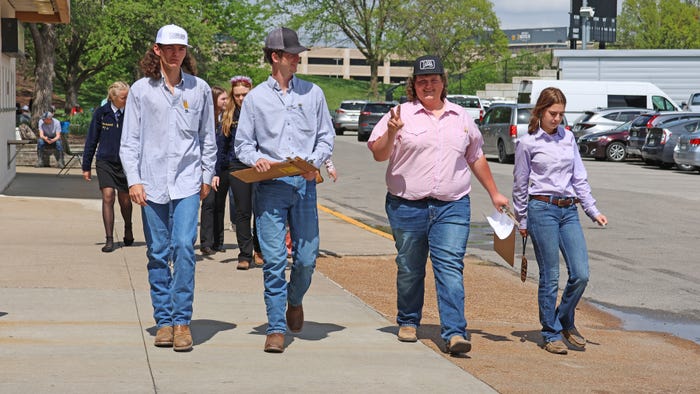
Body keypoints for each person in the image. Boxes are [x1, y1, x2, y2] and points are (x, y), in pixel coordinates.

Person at [367, 55, 509, 355]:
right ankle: (408, 320)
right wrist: (393, 131)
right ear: (413, 86)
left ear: (443, 83)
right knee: (409, 267)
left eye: (433, 80)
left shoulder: (461, 117)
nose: (428, 86)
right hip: (406, 206)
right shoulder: (399, 113)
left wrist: (495, 193)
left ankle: (455, 332)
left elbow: (476, 156)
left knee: (450, 267)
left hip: (452, 207)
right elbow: (379, 155)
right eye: (422, 81)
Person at [235, 27, 334, 353]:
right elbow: (243, 145)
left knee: (306, 259)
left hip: (304, 185)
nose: (297, 58)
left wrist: (315, 162)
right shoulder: (256, 99)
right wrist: (257, 159)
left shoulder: (313, 93)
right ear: (276, 57)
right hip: (271, 186)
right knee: (275, 260)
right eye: (292, 54)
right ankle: (275, 327)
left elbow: (325, 136)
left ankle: (295, 299)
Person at [119, 24, 217, 352]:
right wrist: (133, 179)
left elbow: (207, 138)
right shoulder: (141, 90)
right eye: (169, 48)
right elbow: (130, 140)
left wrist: (206, 176)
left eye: (181, 48)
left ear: (186, 52)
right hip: (151, 183)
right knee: (158, 252)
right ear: (157, 49)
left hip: (188, 181)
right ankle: (163, 320)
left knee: (185, 248)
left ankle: (182, 321)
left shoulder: (200, 89)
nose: (176, 54)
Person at [512, 87, 608, 355]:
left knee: (580, 273)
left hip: (568, 211)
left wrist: (592, 209)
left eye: (561, 114)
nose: (557, 119)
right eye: (553, 113)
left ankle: (564, 318)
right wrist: (521, 219)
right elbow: (520, 184)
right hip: (541, 209)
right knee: (551, 276)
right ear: (540, 111)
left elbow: (579, 177)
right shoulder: (527, 142)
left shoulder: (568, 139)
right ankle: (550, 332)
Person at [218, 75, 264, 270]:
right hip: (236, 165)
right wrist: (218, 171)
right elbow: (222, 145)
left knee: (260, 211)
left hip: (259, 166)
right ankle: (245, 254)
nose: (241, 99)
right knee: (242, 212)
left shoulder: (260, 112)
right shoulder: (229, 115)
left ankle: (259, 249)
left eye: (245, 94)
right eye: (237, 95)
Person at [82, 81, 134, 253]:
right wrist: (86, 165)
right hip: (105, 161)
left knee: (125, 199)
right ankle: (109, 239)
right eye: (124, 97)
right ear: (113, 97)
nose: (127, 99)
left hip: (126, 162)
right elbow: (92, 139)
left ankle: (128, 227)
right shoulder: (101, 113)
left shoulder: (132, 113)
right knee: (108, 196)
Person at [199, 86, 228, 255]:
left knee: (219, 204)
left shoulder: (227, 118)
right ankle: (206, 242)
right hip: (209, 167)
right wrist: (211, 172)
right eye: (223, 98)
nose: (226, 101)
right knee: (208, 203)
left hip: (223, 167)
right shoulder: (206, 119)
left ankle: (218, 241)